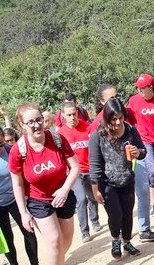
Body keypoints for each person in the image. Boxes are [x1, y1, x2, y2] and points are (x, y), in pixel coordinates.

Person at [8, 103, 81, 265]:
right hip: (38, 201)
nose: (36, 125)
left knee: (65, 242)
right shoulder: (18, 150)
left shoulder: (57, 139)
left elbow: (75, 168)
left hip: (63, 195)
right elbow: (18, 185)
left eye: (39, 119)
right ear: (21, 125)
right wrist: (23, 213)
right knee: (54, 241)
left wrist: (65, 189)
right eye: (30, 122)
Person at [89, 98, 147, 260]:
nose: (118, 122)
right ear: (107, 118)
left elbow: (143, 151)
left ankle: (127, 242)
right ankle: (116, 240)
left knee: (127, 214)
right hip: (107, 184)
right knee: (116, 215)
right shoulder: (98, 135)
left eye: (121, 118)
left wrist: (138, 152)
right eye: (114, 118)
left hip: (127, 180)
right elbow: (94, 164)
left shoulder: (130, 130)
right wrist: (95, 188)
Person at [0, 125, 39, 265]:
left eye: (1, 143)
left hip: (15, 199)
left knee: (29, 231)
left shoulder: (11, 151)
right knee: (7, 238)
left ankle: (35, 262)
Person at [125, 73, 154, 241]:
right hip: (144, 141)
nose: (140, 91)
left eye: (143, 88)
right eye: (138, 88)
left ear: (151, 87)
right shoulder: (134, 101)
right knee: (151, 171)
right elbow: (128, 118)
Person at [55, 101, 103, 242]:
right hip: (75, 173)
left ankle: (94, 220)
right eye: (68, 115)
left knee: (93, 197)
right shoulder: (61, 134)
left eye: (74, 114)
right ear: (63, 115)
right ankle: (84, 231)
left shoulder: (88, 127)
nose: (72, 117)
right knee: (81, 200)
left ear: (78, 112)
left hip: (91, 170)